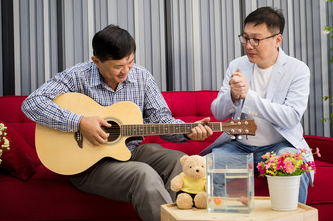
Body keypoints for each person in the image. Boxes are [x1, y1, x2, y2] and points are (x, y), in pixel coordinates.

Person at [21, 24, 213, 221]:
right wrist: (79, 122)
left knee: (180, 163)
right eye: (118, 66)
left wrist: (186, 132)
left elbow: (160, 121)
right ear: (96, 61)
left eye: (130, 62)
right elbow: (32, 103)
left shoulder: (141, 76)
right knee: (143, 174)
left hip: (130, 152)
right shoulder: (76, 76)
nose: (126, 71)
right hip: (89, 166)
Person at [200, 6, 313, 204]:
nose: (248, 45)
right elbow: (217, 112)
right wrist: (233, 95)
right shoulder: (238, 64)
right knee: (212, 163)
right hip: (239, 146)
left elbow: (291, 117)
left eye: (256, 39)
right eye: (245, 38)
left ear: (277, 39)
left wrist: (248, 97)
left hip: (280, 146)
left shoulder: (297, 70)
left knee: (293, 163)